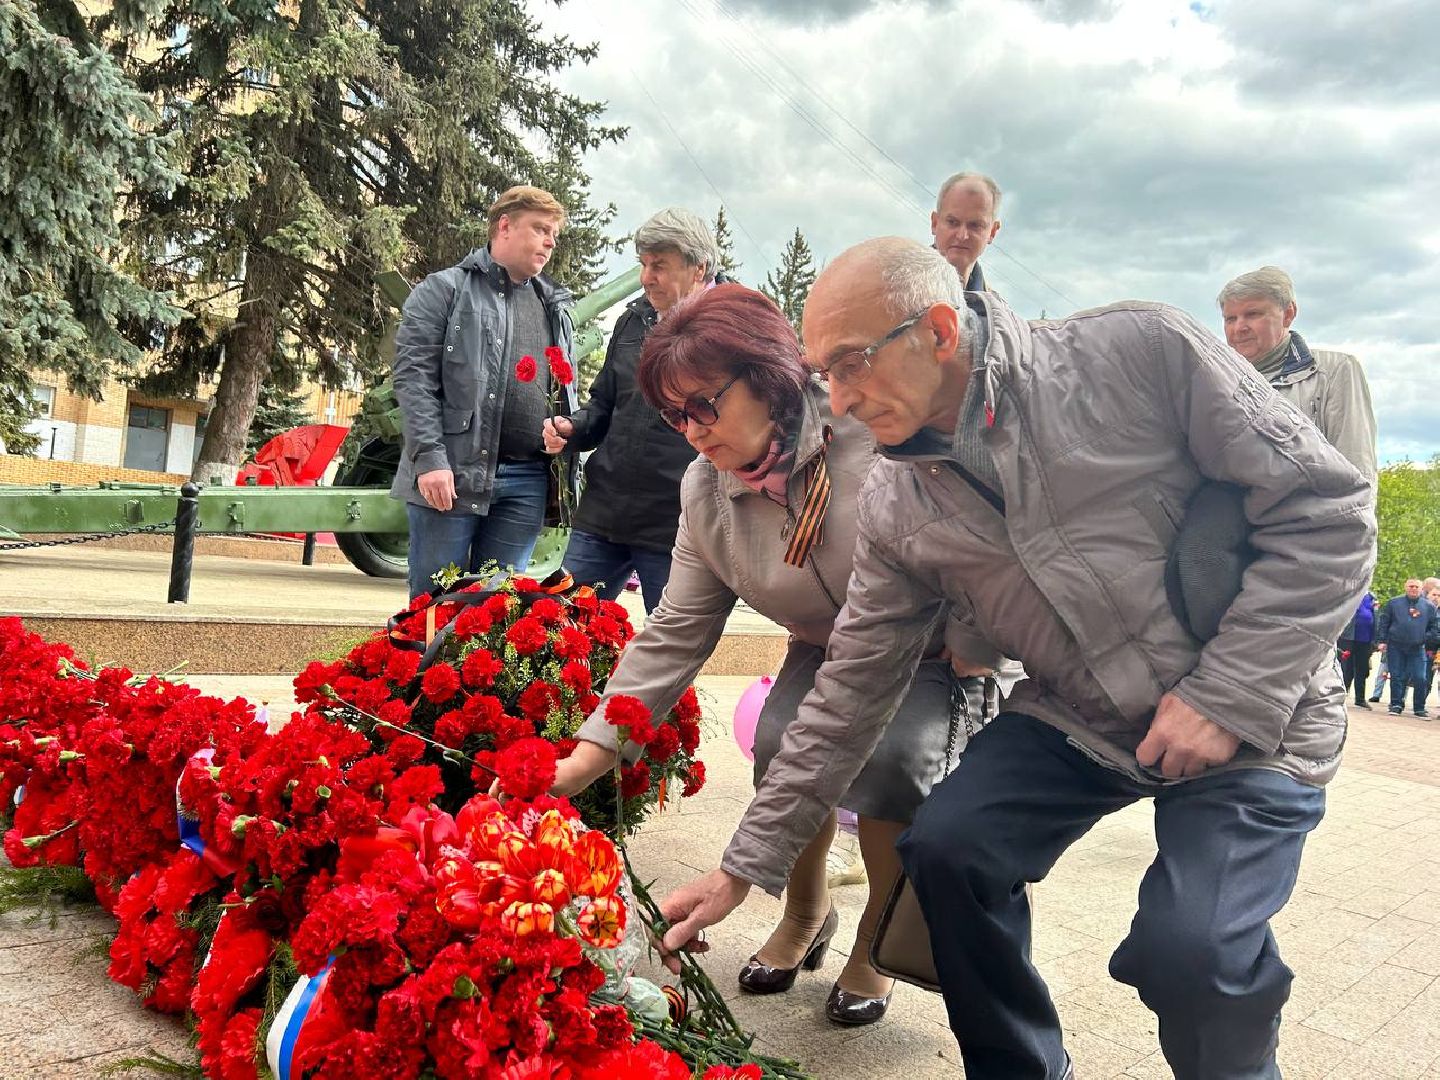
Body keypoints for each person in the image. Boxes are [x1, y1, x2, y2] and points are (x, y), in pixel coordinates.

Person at [656, 238, 1376, 1080]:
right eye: (824, 372)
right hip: (1083, 713)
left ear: (935, 330)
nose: (838, 404)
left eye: (850, 367)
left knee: (1194, 950)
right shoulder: (896, 499)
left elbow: (1330, 513)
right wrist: (744, 866)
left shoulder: (1138, 354)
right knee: (949, 851)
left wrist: (1229, 692)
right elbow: (851, 688)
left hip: (1262, 716)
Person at [552, 284, 963, 1027]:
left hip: (938, 643)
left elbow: (966, 545)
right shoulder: (707, 491)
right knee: (778, 740)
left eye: (703, 404)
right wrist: (587, 753)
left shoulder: (869, 437)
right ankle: (804, 916)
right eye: (674, 414)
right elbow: (677, 625)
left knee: (893, 759)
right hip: (825, 643)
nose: (690, 430)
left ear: (769, 379)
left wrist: (978, 645)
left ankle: (872, 941)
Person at [390, 185, 576, 600]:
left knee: (497, 616)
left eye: (554, 235)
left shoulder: (554, 306)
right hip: (452, 474)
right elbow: (414, 380)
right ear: (505, 226)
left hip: (527, 481)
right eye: (540, 229)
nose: (549, 242)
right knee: (433, 610)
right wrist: (430, 460)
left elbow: (564, 390)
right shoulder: (444, 290)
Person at [541, 209, 723, 612]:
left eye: (659, 266)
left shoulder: (730, 330)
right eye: (643, 265)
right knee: (560, 631)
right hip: (604, 515)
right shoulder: (633, 322)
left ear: (699, 268)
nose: (646, 278)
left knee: (668, 657)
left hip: (677, 526)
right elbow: (605, 404)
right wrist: (573, 428)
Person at [1218, 266, 1378, 480]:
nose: (1239, 328)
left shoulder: (1335, 371)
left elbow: (1357, 470)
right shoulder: (1215, 382)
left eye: (1252, 314)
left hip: (1310, 512)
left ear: (1288, 314)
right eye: (1230, 319)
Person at [1375, 579, 1440, 719]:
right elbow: (1384, 622)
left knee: (1420, 677)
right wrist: (1381, 641)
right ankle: (1396, 705)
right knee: (1397, 676)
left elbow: (1434, 628)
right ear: (1405, 587)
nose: (1413, 589)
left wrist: (1424, 637)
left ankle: (1419, 708)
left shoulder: (1429, 607)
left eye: (1417, 586)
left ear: (1421, 589)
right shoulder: (1394, 603)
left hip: (1418, 647)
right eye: (1411, 586)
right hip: (1396, 646)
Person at [931, 171, 1001, 292]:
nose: (962, 236)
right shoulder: (895, 289)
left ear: (992, 232)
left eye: (975, 225)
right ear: (935, 223)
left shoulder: (994, 309)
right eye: (952, 222)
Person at [1338, 590, 1378, 708]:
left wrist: (1375, 640)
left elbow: (1375, 618)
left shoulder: (1371, 597)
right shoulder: (1349, 592)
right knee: (1346, 668)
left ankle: (1360, 698)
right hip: (1348, 637)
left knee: (1362, 669)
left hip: (1365, 639)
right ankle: (1340, 696)